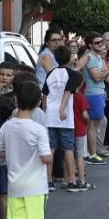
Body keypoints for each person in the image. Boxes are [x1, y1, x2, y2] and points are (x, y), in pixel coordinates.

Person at [0, 81, 52, 219]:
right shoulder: (38, 130)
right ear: (38, 102)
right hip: (35, 185)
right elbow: (46, 158)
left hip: (14, 184)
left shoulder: (7, 126)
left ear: (16, 100)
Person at [42, 46, 81, 191]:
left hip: (50, 116)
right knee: (68, 148)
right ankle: (71, 179)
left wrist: (46, 112)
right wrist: (62, 109)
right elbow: (68, 91)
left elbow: (45, 96)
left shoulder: (50, 74)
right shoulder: (73, 75)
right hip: (65, 118)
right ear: (70, 58)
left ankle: (48, 180)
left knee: (51, 148)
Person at [82, 32, 109, 165]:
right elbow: (97, 77)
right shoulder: (90, 57)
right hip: (92, 93)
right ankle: (92, 154)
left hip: (98, 92)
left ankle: (92, 153)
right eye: (97, 43)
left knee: (95, 125)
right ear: (90, 45)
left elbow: (103, 77)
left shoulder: (97, 57)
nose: (101, 45)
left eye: (101, 42)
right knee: (92, 126)